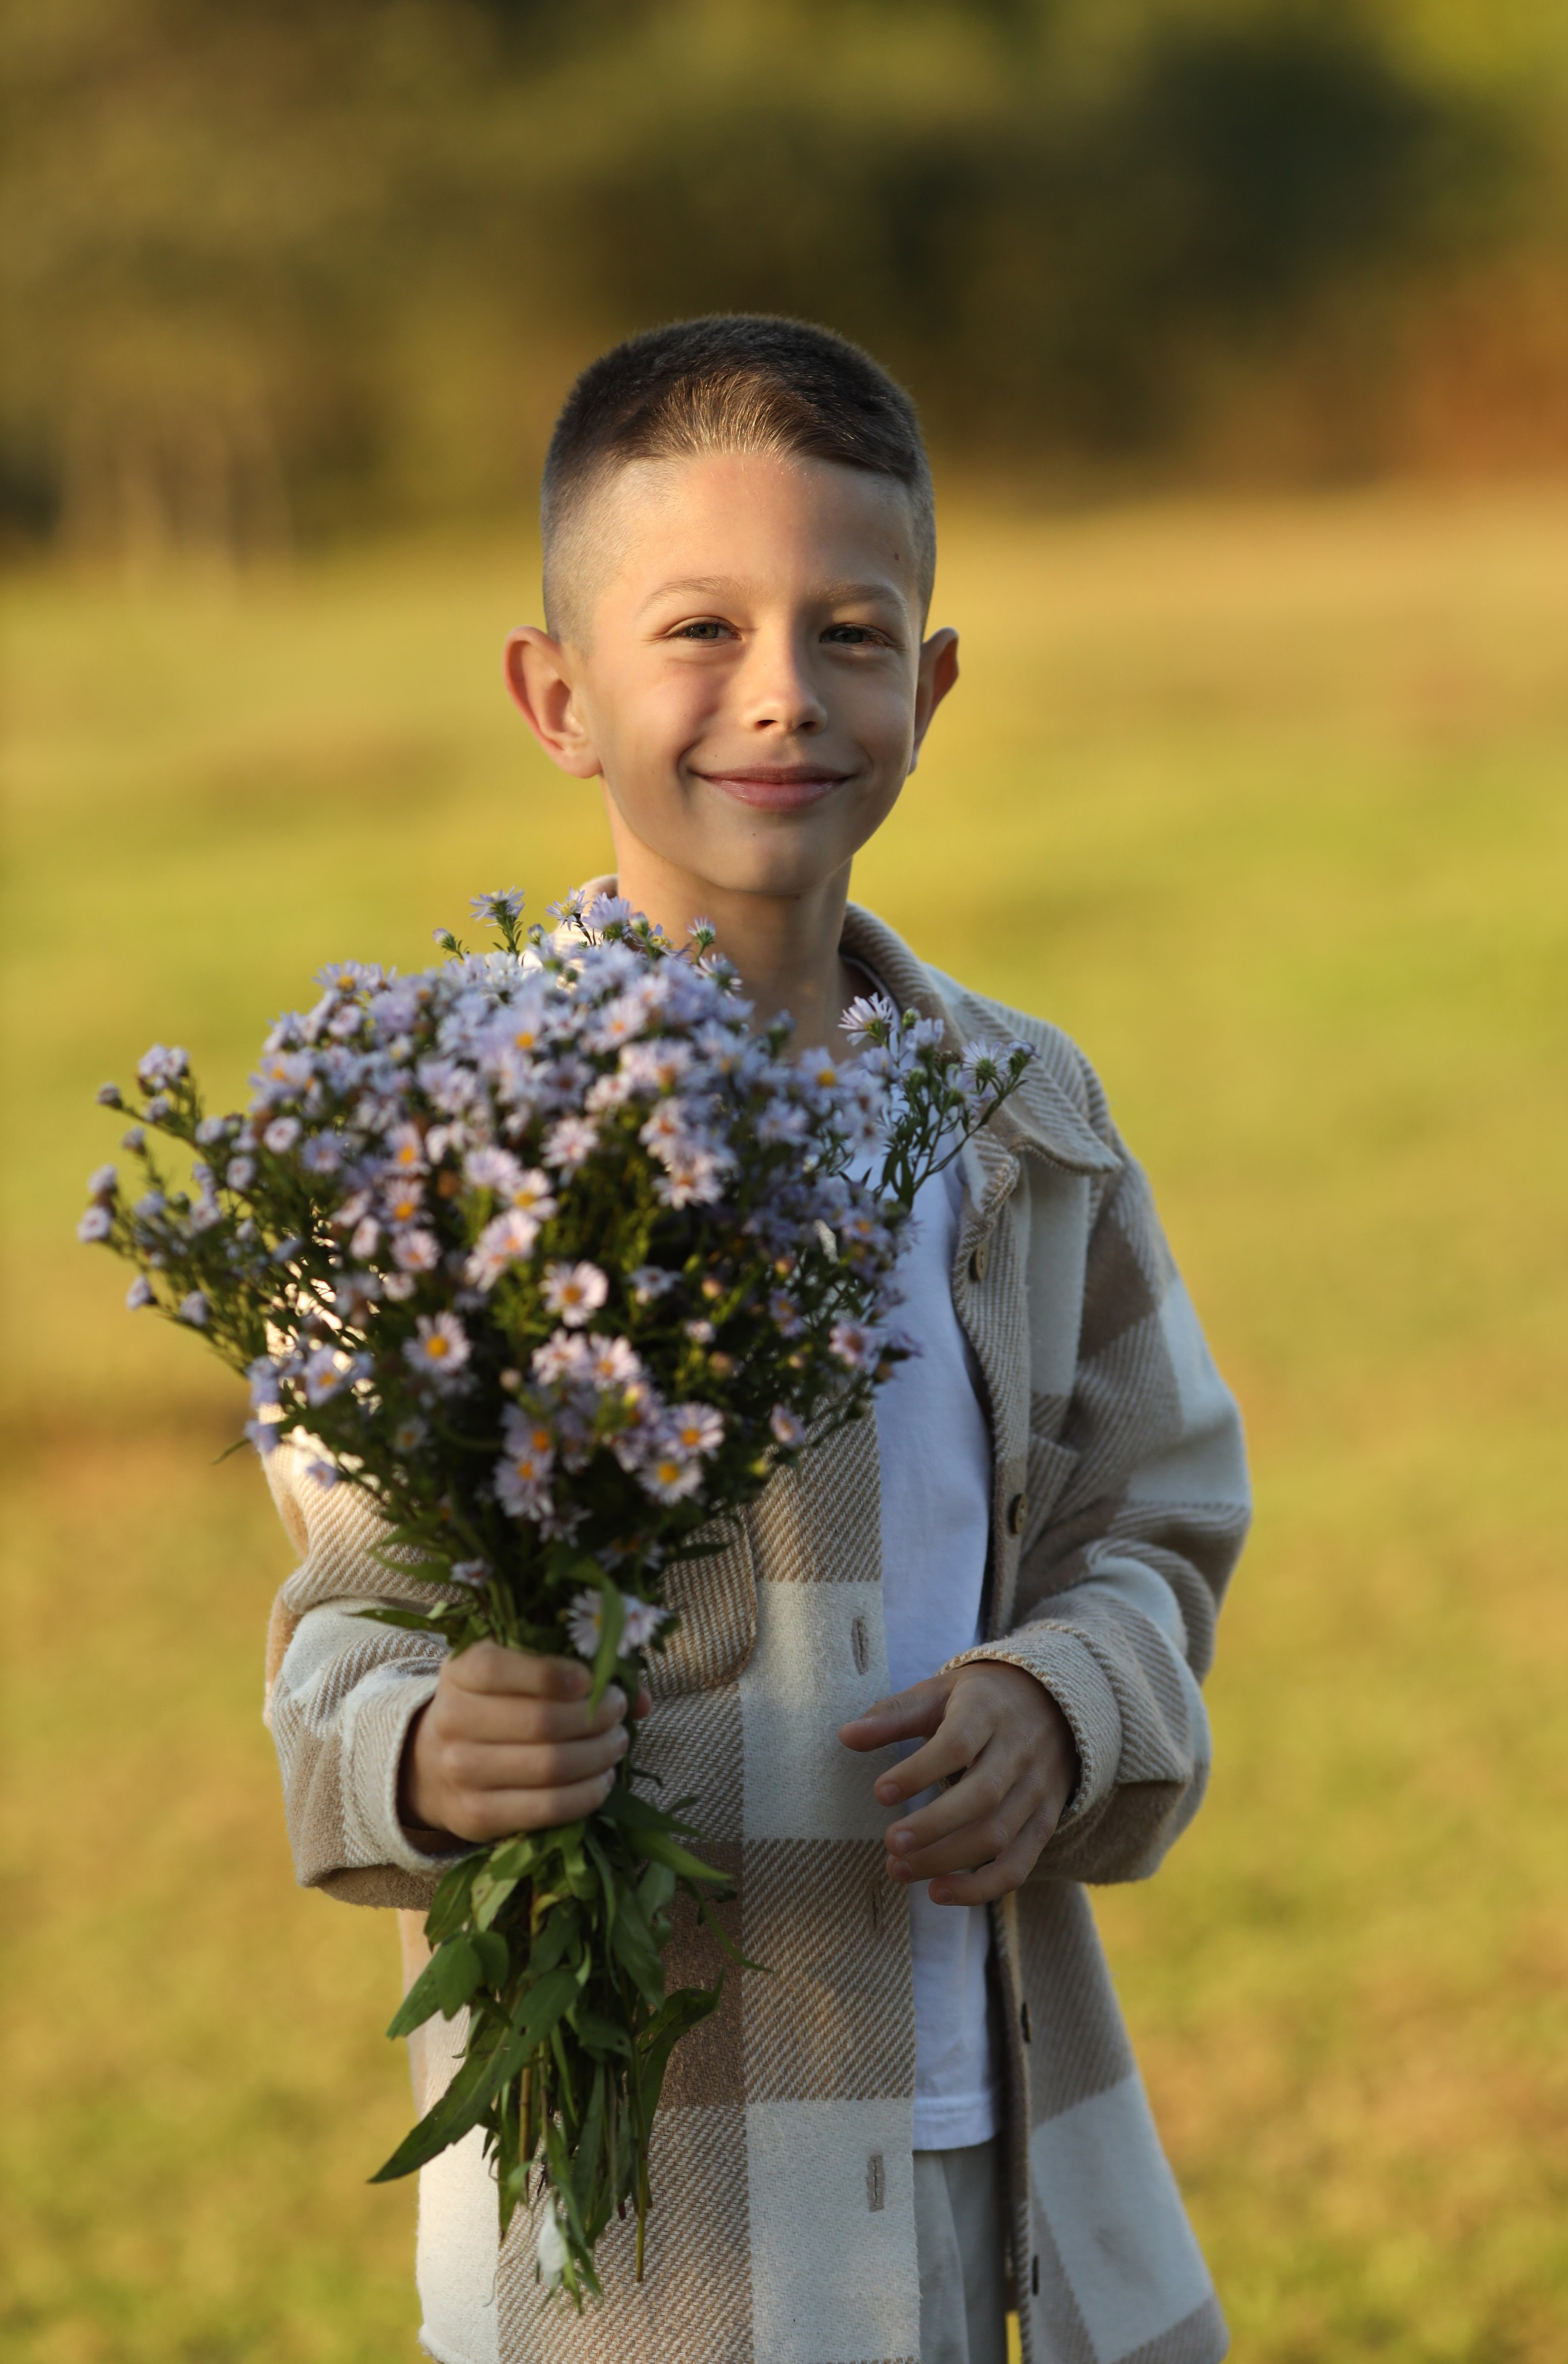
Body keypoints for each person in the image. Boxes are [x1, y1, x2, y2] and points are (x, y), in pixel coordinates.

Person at [261, 315, 1251, 2364]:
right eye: (699, 629)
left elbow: (1157, 1529)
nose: (784, 690)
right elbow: (345, 1632)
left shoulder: (1024, 1118)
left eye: (851, 633)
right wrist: (424, 1756)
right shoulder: (436, 1138)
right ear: (558, 697)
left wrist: (1066, 1704)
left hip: (989, 2149)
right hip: (642, 2231)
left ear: (932, 689)